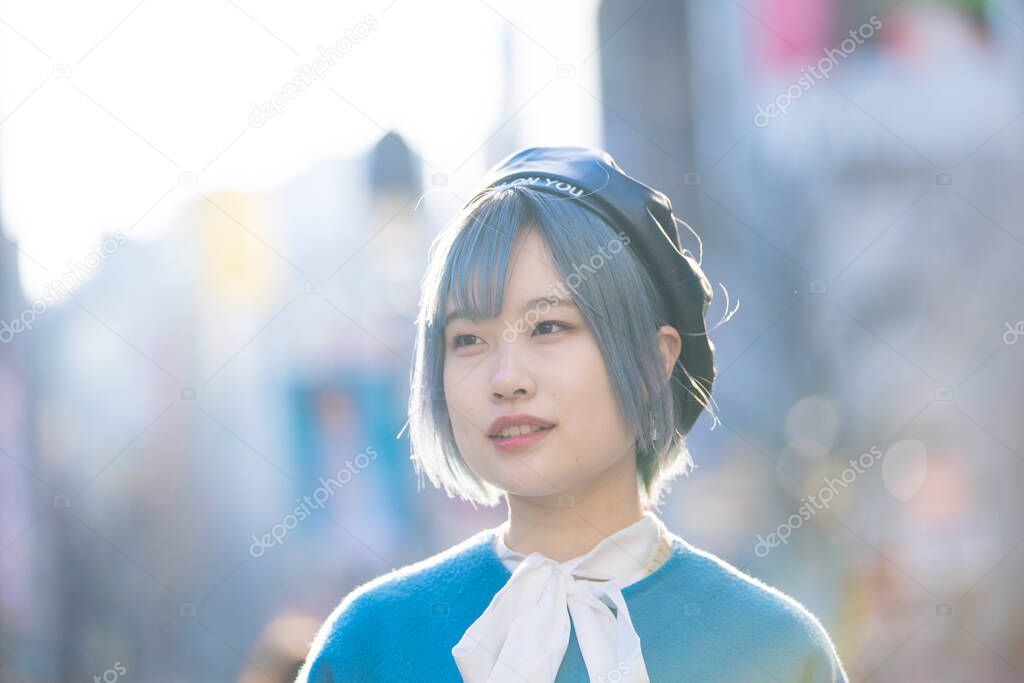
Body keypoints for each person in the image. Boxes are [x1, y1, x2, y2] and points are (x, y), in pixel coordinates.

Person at [295, 146, 848, 682]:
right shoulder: (373, 642)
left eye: (548, 327)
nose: (506, 378)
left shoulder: (773, 649)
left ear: (656, 361)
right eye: (468, 339)